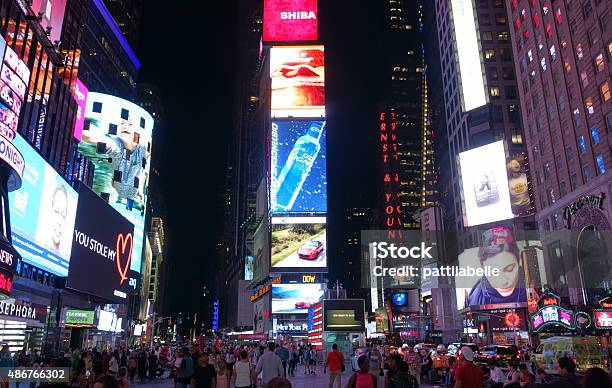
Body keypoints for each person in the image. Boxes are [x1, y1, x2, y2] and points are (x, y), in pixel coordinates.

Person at [466, 227, 526, 309]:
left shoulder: (535, 287)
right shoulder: (474, 299)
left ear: (519, 262)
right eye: (494, 273)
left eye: (509, 269)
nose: (503, 282)